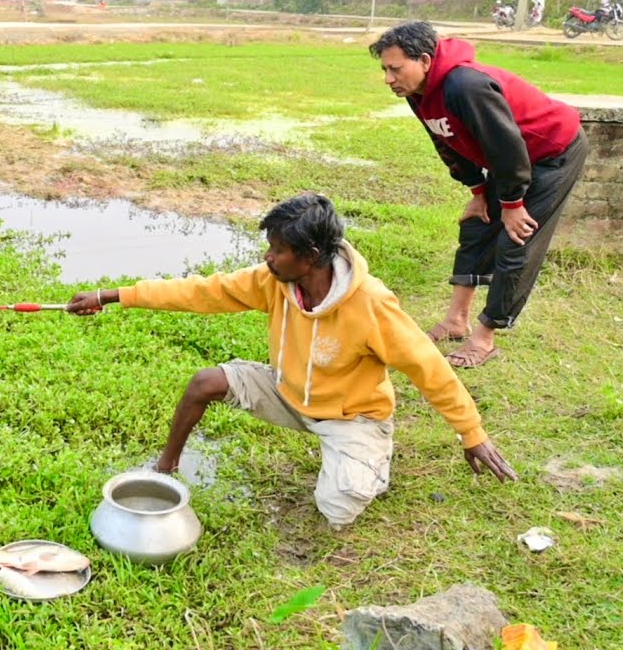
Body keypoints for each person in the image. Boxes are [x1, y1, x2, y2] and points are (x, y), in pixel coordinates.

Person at [65, 194, 518, 531]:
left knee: (338, 508)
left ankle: (369, 466)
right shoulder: (273, 280)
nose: (268, 257)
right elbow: (201, 291)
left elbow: (429, 369)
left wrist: (472, 434)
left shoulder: (372, 305)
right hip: (288, 391)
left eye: (278, 249)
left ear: (311, 257)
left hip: (352, 416)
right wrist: (113, 296)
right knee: (205, 381)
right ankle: (165, 467)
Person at [369, 21, 589, 368]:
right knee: (476, 224)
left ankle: (485, 337)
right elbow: (447, 142)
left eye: (395, 69)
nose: (388, 78)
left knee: (516, 240)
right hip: (509, 158)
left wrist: (512, 204)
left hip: (552, 152)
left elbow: (506, 146)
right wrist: (477, 191)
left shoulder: (465, 85)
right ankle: (457, 320)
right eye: (384, 69)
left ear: (424, 60)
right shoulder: (418, 94)